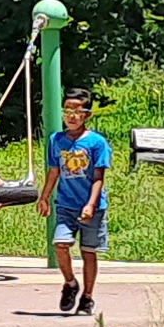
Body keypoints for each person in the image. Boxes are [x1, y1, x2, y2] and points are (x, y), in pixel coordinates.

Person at [41, 89, 112, 310]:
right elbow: (54, 171)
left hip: (92, 206)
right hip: (66, 204)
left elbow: (98, 177)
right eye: (67, 111)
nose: (71, 116)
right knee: (61, 244)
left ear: (87, 114)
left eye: (77, 111)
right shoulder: (57, 140)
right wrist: (44, 197)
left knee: (88, 251)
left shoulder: (96, 143)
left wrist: (90, 204)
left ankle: (87, 297)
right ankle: (70, 283)